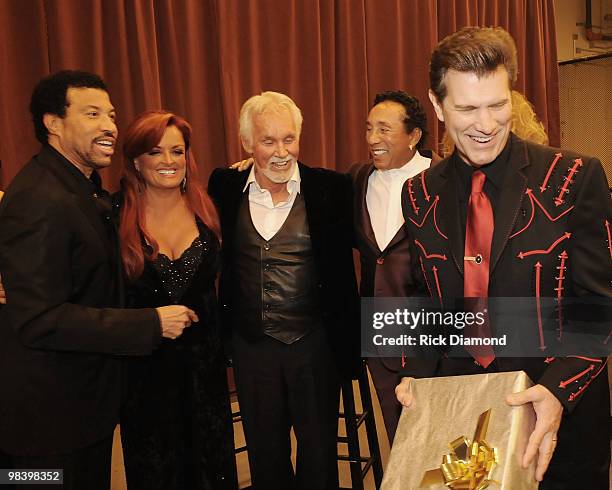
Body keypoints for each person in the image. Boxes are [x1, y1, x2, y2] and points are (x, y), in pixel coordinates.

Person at [395, 27, 610, 489]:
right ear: (437, 106)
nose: (486, 124)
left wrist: (556, 391)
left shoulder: (573, 177)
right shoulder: (417, 194)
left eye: (497, 104)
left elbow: (599, 305)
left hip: (559, 417)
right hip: (460, 410)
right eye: (468, 108)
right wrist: (414, 370)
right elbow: (422, 296)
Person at [0, 71, 196, 489]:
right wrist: (150, 323)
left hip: (82, 407)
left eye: (110, 114)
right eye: (92, 114)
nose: (109, 125)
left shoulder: (81, 189)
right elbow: (39, 318)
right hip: (47, 425)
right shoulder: (39, 199)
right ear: (53, 123)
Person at [208, 91, 359, 490]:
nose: (281, 152)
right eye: (268, 141)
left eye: (288, 139)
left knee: (320, 453)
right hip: (250, 345)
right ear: (247, 144)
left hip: (315, 344)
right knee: (264, 453)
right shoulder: (223, 186)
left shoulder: (331, 188)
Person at [117, 111, 238, 490]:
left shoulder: (211, 207)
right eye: (156, 152)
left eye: (177, 151)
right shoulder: (112, 216)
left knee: (210, 464)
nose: (168, 161)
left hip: (205, 370)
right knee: (156, 470)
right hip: (145, 373)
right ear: (137, 160)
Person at [349, 90, 440, 443]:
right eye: (369, 128)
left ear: (413, 135)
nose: (373, 139)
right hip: (382, 337)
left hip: (435, 339)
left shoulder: (445, 179)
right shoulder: (357, 180)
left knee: (441, 438)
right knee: (400, 439)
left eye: (384, 129)